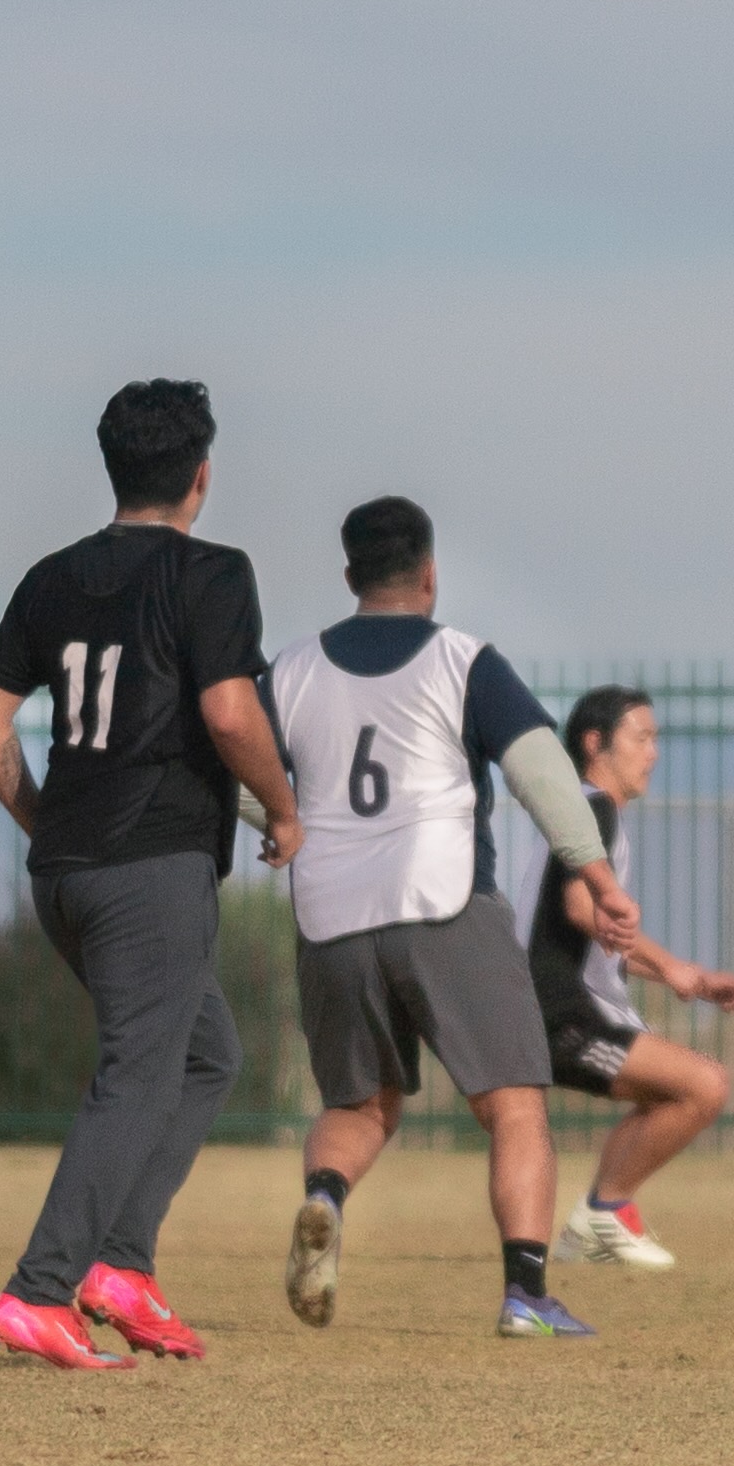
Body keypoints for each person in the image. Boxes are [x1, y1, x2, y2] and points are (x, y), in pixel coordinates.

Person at [0, 376, 301, 1369]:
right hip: (151, 866)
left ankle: (120, 1266)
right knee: (137, 1071)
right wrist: (282, 809)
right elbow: (232, 716)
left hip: (66, 870)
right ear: (200, 476)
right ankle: (38, 1289)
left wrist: (40, 815)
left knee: (203, 1055)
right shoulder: (213, 574)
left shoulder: (51, 577)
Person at [269, 498, 626, 1341]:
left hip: (330, 915)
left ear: (349, 576)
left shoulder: (284, 672)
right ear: (428, 574)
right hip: (443, 900)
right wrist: (597, 874)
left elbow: (245, 778)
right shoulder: (462, 660)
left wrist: (282, 826)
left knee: (359, 1103)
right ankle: (526, 1295)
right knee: (513, 1106)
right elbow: (540, 770)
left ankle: (324, 1198)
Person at [529, 683, 734, 1270]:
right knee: (704, 1086)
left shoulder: (583, 812)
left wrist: (690, 978)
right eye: (643, 737)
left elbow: (588, 932)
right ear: (595, 743)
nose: (653, 752)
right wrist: (676, 968)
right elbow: (582, 908)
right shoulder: (594, 808)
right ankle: (605, 1211)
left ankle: (595, 1223)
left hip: (564, 1007)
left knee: (680, 1091)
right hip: (560, 1015)